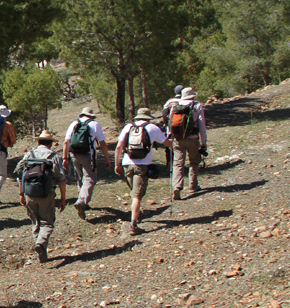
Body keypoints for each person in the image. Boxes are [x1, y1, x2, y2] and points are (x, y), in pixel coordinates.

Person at [16, 129, 67, 263]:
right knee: (47, 223)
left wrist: (21, 194)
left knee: (35, 222)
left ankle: (39, 247)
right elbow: (61, 179)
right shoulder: (54, 157)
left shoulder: (29, 155)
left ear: (38, 142)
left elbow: (20, 175)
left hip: (29, 193)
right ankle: (41, 244)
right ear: (50, 143)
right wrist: (63, 198)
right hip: (46, 193)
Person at [114, 107, 167, 235]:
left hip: (127, 164)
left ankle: (136, 215)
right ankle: (133, 224)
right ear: (148, 117)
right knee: (137, 196)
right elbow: (167, 143)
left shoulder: (128, 127)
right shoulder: (152, 128)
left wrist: (117, 164)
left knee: (134, 192)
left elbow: (118, 147)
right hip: (142, 165)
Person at [62, 107, 110, 218]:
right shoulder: (95, 124)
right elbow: (102, 143)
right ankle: (82, 201)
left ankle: (82, 201)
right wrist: (107, 159)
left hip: (74, 154)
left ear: (82, 115)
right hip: (88, 155)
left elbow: (66, 142)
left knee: (80, 177)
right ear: (91, 116)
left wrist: (65, 158)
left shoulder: (74, 123)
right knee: (90, 178)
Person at [162, 86, 208, 199]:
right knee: (194, 161)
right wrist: (204, 142)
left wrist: (170, 136)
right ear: (192, 95)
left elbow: (170, 122)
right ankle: (193, 184)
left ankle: (177, 187)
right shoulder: (197, 105)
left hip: (178, 138)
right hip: (193, 138)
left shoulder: (175, 105)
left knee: (178, 163)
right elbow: (202, 125)